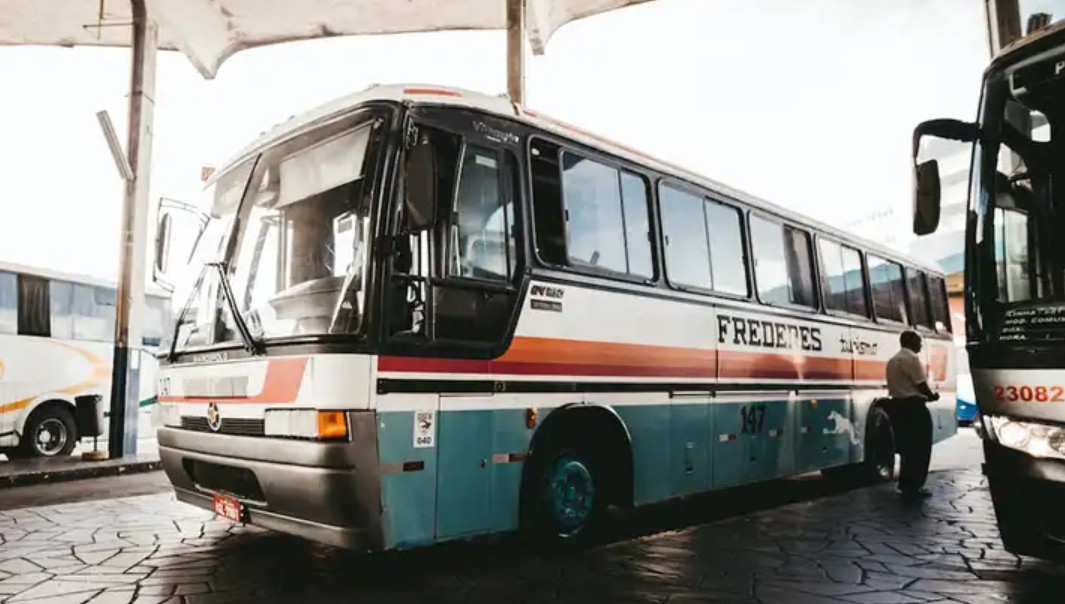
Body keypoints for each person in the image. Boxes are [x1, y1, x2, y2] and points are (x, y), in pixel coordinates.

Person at [884, 329, 939, 497]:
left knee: (906, 448)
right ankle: (915, 486)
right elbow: (920, 384)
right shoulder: (912, 360)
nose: (921, 345)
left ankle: (904, 483)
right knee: (920, 448)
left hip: (897, 407)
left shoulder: (892, 361)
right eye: (919, 342)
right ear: (912, 343)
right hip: (914, 408)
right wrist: (932, 396)